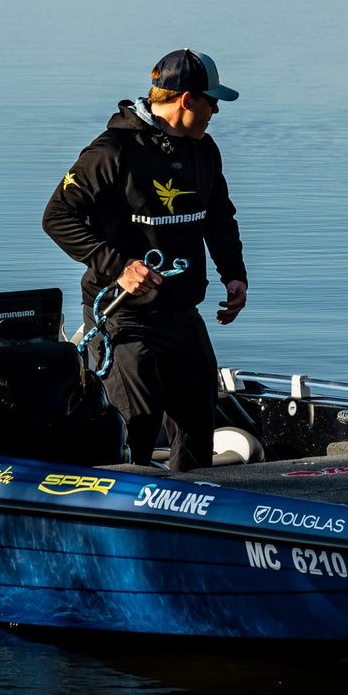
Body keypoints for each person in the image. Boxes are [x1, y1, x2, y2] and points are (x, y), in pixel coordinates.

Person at [42, 48, 249, 472]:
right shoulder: (112, 151)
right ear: (186, 100)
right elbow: (57, 217)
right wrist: (119, 266)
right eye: (211, 101)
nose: (215, 111)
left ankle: (192, 515)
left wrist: (234, 274)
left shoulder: (204, 150)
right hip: (123, 316)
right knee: (137, 424)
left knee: (197, 421)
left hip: (181, 312)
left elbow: (220, 218)